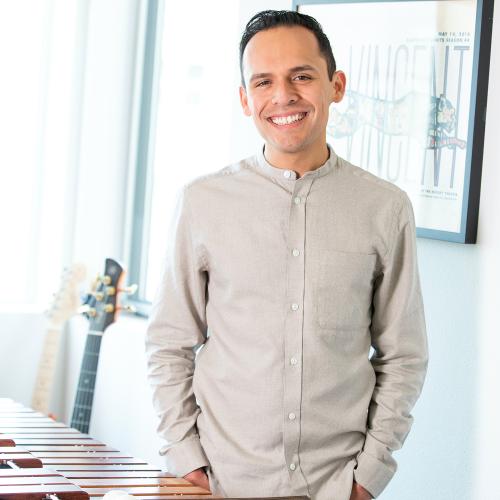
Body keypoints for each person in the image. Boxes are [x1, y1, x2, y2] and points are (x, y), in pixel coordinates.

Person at [145, 9, 428, 500]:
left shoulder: (386, 208)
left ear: (336, 85)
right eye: (263, 82)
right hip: (221, 482)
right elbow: (169, 344)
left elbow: (403, 355)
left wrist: (368, 476)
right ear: (244, 99)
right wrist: (187, 458)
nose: (283, 97)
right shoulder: (202, 202)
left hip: (337, 486)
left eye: (302, 76)